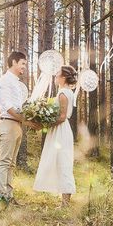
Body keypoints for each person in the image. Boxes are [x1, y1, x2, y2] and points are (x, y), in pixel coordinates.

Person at [0, 51, 38, 203]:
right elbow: (7, 106)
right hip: (8, 122)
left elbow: (18, 106)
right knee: (5, 161)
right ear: (14, 62)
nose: (24, 67)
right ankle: (1, 195)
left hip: (17, 125)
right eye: (23, 64)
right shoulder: (5, 80)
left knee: (12, 163)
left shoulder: (16, 83)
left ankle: (9, 195)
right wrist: (25, 121)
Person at [33, 65, 77, 206]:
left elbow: (62, 117)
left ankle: (65, 203)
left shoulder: (63, 93)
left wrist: (45, 124)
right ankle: (64, 201)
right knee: (61, 161)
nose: (56, 77)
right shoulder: (67, 92)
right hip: (61, 130)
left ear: (63, 78)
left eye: (58, 74)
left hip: (61, 131)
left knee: (63, 163)